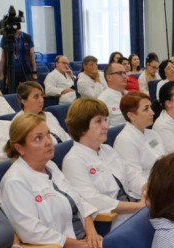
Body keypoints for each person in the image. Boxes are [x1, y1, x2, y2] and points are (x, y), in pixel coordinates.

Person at [0, 113, 102, 248]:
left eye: (48, 135)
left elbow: (78, 199)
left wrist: (92, 234)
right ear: (20, 148)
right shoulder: (15, 182)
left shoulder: (50, 165)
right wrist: (81, 245)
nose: (48, 142)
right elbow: (33, 232)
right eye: (38, 138)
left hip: (83, 240)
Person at [62, 98, 146, 229]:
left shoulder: (107, 149)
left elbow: (131, 175)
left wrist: (146, 188)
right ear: (81, 126)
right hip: (112, 223)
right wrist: (138, 206)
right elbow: (94, 200)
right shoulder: (74, 160)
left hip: (134, 208)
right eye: (98, 121)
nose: (106, 126)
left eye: (106, 120)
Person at [113, 92, 165, 179]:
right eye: (146, 109)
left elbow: (165, 158)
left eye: (151, 108)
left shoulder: (152, 133)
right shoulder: (125, 141)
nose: (152, 112)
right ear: (131, 115)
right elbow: (134, 178)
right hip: (148, 186)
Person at [0, 25, 36, 90]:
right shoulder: (5, 38)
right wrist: (2, 74)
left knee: (27, 90)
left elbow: (32, 55)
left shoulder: (27, 37)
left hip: (25, 69)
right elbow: (3, 57)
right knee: (12, 91)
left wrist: (34, 72)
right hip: (11, 71)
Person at [97, 62, 130, 126]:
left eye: (125, 73)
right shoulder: (102, 100)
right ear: (109, 77)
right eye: (120, 73)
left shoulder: (130, 95)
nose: (125, 76)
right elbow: (103, 127)